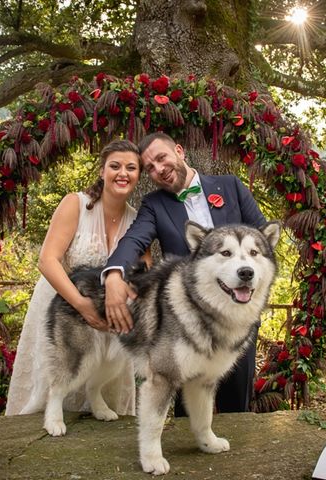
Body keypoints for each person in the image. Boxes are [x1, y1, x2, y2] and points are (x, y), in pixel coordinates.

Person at [103, 132, 267, 416]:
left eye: (161, 158)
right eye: (150, 168)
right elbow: (133, 240)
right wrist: (114, 274)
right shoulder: (154, 204)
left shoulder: (230, 186)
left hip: (238, 318)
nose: (159, 169)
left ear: (179, 151)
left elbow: (263, 239)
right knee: (187, 409)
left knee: (236, 406)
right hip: (185, 326)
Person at [5, 139, 147, 416]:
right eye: (115, 166)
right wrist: (81, 305)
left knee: (103, 387)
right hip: (62, 307)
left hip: (108, 320)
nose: (123, 173)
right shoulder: (76, 204)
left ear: (139, 175)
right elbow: (47, 261)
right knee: (54, 382)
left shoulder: (137, 220)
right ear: (102, 170)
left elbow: (143, 273)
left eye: (131, 168)